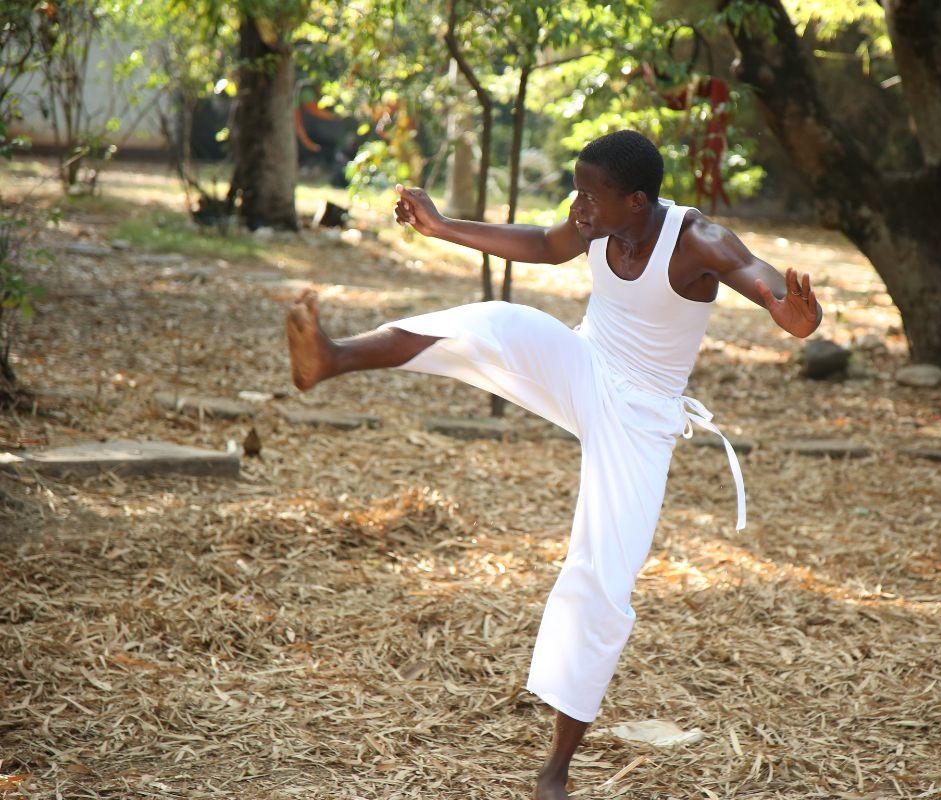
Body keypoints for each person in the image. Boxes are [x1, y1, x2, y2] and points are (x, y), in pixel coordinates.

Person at [285, 129, 822, 799]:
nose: (579, 205)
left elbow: (775, 297)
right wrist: (442, 226)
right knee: (497, 323)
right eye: (577, 188)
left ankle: (555, 772)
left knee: (602, 577)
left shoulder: (700, 240)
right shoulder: (596, 217)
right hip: (583, 367)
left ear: (635, 200)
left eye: (591, 194)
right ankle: (332, 357)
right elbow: (543, 246)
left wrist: (797, 317)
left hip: (641, 416)